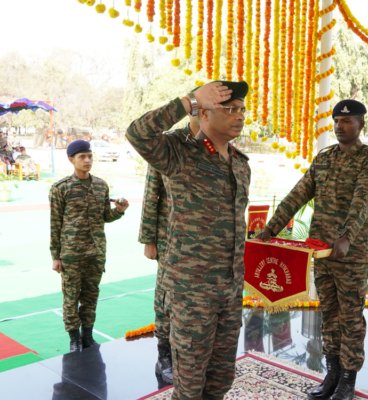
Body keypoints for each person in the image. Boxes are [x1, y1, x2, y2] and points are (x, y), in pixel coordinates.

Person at [126, 81, 251, 400]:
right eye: (230, 109)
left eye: (242, 110)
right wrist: (188, 101)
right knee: (190, 384)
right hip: (192, 293)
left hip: (230, 290)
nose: (239, 116)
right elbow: (137, 133)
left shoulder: (240, 164)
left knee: (221, 377)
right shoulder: (180, 153)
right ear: (205, 114)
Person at [256, 99, 368, 400]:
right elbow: (297, 194)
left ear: (361, 124)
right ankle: (333, 373)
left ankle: (348, 382)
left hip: (351, 253)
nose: (340, 126)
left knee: (350, 316)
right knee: (329, 313)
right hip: (321, 252)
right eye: (337, 121)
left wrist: (347, 237)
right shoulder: (323, 159)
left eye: (347, 121)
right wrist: (270, 228)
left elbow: (362, 202)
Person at [49, 140, 130, 353]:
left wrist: (119, 211)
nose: (87, 160)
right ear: (71, 160)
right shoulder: (61, 188)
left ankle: (87, 336)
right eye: (82, 157)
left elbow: (104, 216)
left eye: (90, 156)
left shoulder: (101, 185)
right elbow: (55, 223)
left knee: (91, 295)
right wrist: (55, 256)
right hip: (71, 254)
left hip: (96, 253)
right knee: (71, 297)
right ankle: (74, 339)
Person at [138, 115, 201, 385]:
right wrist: (149, 239)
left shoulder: (210, 145)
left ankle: (189, 353)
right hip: (168, 239)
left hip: (199, 243)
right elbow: (152, 192)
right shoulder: (170, 144)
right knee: (166, 299)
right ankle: (164, 355)